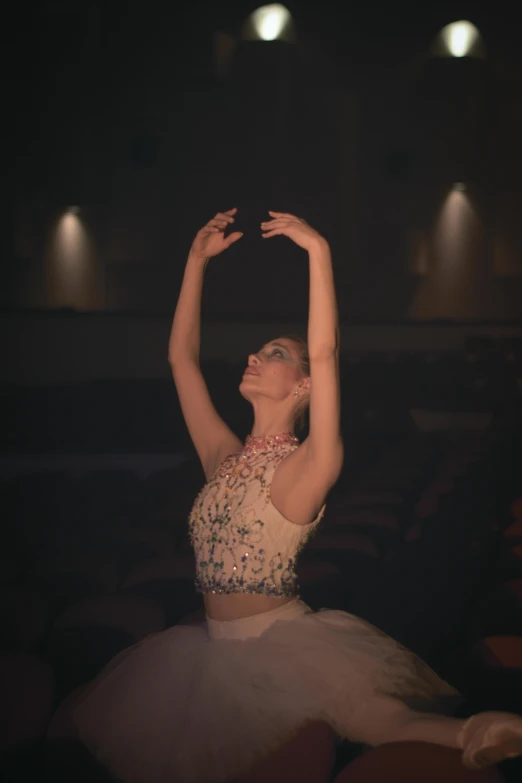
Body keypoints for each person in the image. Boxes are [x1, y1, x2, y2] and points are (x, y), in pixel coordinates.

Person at [72, 209, 522, 783]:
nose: (255, 357)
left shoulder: (311, 463)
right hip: (203, 656)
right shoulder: (222, 456)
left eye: (276, 354)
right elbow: (181, 361)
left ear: (304, 385)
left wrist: (317, 251)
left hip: (280, 651)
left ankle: (478, 733)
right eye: (259, 351)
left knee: (373, 719)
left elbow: (327, 352)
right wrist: (194, 264)